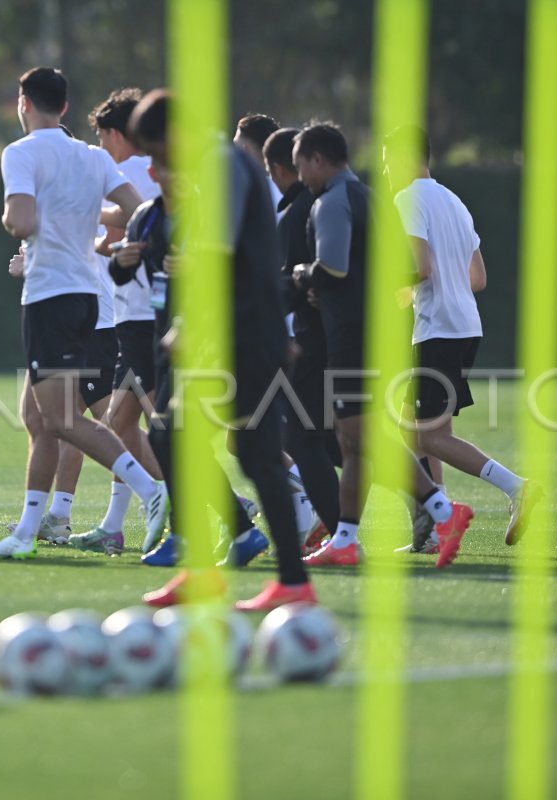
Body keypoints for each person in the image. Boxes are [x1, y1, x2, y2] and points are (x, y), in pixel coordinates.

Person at [125, 90, 316, 611]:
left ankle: (294, 583)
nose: (158, 163)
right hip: (229, 335)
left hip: (246, 336)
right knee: (169, 435)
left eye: (158, 150)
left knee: (254, 457)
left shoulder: (224, 165)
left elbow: (217, 252)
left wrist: (191, 324)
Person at [0, 66, 167, 559]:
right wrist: (88, 220)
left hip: (50, 295)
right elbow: (135, 210)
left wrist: (17, 216)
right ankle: (28, 532)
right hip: (91, 299)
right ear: (64, 107)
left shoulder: (20, 153)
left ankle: (153, 492)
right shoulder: (90, 155)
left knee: (62, 420)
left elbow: (18, 220)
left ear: (24, 103)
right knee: (39, 419)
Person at [290, 123, 455, 567]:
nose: (299, 176)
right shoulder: (371, 198)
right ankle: (345, 539)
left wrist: (303, 276)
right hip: (379, 332)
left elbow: (334, 268)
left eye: (300, 165)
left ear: (318, 160)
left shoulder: (332, 202)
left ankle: (443, 510)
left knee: (362, 434)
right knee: (352, 440)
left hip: (351, 337)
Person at [382, 125, 538, 567]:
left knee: (426, 436)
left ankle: (516, 488)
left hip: (438, 330)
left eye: (386, 160)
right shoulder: (454, 200)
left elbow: (421, 266)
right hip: (465, 324)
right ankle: (434, 526)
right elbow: (479, 278)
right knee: (419, 433)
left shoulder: (408, 198)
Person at [57, 87, 168, 553]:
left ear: (118, 133)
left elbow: (122, 235)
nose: (103, 149)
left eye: (104, 138)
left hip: (143, 313)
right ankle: (115, 524)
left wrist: (79, 220)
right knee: (123, 426)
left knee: (163, 429)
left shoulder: (132, 170)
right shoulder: (152, 169)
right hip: (135, 312)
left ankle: (230, 510)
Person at [263, 126, 340, 550]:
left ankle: (338, 533)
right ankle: (430, 501)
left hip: (314, 341)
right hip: (331, 336)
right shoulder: (338, 200)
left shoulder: (302, 211)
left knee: (302, 437)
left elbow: (292, 283)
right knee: (338, 438)